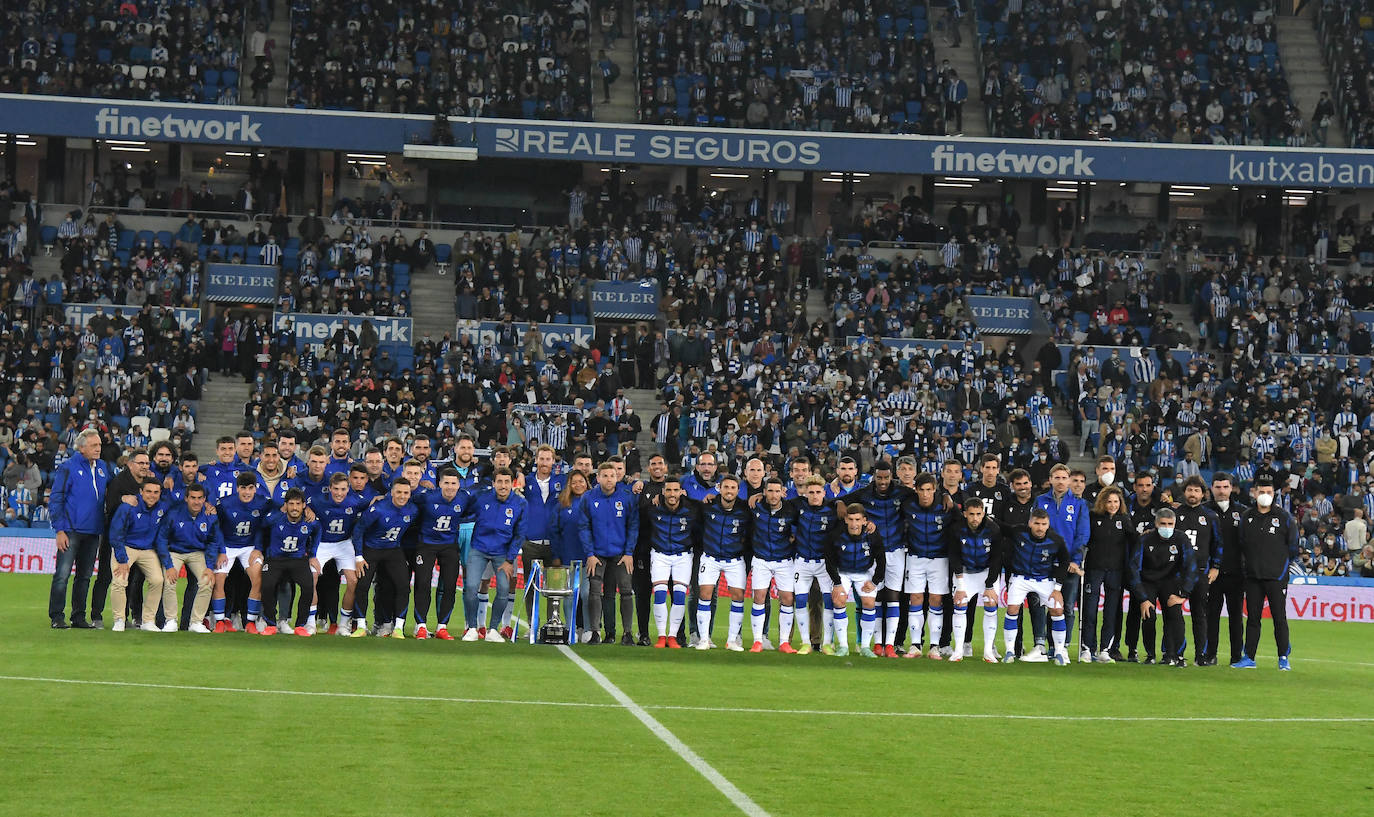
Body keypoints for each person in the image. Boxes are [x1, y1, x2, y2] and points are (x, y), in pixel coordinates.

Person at [1233, 475, 1300, 670]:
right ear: (1254, 493)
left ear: (1274, 494)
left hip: (1276, 577)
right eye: (1261, 492)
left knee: (1279, 618)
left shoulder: (1284, 517)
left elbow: (1293, 547)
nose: (1264, 495)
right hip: (1253, 577)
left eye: (1268, 492)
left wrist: (1281, 567)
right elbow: (1242, 544)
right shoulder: (1247, 516)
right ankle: (1249, 658)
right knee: (1253, 619)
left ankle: (1283, 658)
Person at [47, 429, 111, 629]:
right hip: (71, 530)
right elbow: (56, 498)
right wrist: (59, 530)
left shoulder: (102, 467)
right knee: (62, 575)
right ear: (81, 447)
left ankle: (78, 617)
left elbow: (115, 488)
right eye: (94, 445)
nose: (98, 449)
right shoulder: (68, 467)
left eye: (99, 445)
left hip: (93, 532)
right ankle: (57, 616)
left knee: (84, 577)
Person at [849, 461, 912, 657]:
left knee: (893, 597)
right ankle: (877, 644)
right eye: (879, 478)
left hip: (896, 551)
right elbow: (842, 501)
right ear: (874, 477)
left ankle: (890, 645)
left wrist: (944, 496)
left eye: (886, 477)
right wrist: (841, 504)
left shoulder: (902, 492)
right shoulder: (865, 493)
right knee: (873, 596)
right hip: (874, 552)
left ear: (891, 476)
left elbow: (923, 495)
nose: (883, 482)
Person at [461, 468, 527, 642]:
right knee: (471, 588)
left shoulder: (520, 504)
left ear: (512, 483)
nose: (503, 486)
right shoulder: (482, 497)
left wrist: (509, 560)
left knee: (504, 589)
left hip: (503, 553)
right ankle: (473, 628)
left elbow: (520, 534)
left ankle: (493, 630)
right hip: (479, 549)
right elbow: (464, 511)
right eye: (499, 481)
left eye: (506, 482)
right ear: (493, 483)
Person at [1000, 508, 1072, 665]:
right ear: (1030, 523)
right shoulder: (1019, 532)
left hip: (1045, 580)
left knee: (1057, 610)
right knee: (1012, 609)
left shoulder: (1056, 540)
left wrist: (1058, 588)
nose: (1040, 528)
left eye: (1043, 524)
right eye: (1037, 523)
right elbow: (1002, 527)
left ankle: (1059, 653)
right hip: (1020, 578)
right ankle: (1010, 651)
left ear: (1048, 525)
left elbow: (1065, 562)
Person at [579, 462, 638, 645]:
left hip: (621, 554)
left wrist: (629, 553)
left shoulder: (627, 497)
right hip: (597, 555)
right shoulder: (588, 498)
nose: (609, 479)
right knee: (594, 592)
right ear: (598, 478)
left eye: (612, 476)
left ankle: (627, 633)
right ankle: (595, 632)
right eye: (605, 476)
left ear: (617, 477)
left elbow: (633, 526)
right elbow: (583, 527)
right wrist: (589, 553)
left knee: (627, 591)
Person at [1128, 508, 1196, 667]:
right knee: (1148, 615)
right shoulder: (1145, 539)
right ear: (1156, 524)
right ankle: (1150, 655)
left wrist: (1183, 595)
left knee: (1174, 615)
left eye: (1170, 524)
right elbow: (1133, 568)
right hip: (1148, 582)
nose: (1167, 527)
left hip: (1171, 581)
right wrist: (1142, 598)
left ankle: (1175, 655)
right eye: (1163, 524)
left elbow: (1191, 566)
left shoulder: (1181, 538)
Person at [1035, 464, 1088, 661]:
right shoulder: (1040, 501)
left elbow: (1082, 535)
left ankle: (1063, 646)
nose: (1060, 481)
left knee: (1066, 606)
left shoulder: (1080, 504)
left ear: (1069, 480)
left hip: (1070, 565)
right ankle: (1043, 645)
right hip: (1044, 562)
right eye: (1056, 477)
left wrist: (1075, 560)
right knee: (1044, 604)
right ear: (1050, 480)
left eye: (1064, 478)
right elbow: (1035, 530)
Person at [352, 479, 417, 640]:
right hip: (371, 549)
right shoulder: (378, 509)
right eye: (399, 492)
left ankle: (399, 628)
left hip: (393, 550)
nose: (402, 496)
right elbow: (359, 530)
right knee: (363, 585)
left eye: (406, 493)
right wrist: (359, 556)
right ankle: (360, 626)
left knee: (403, 586)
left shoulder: (413, 510)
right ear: (392, 493)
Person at [412, 467, 471, 640]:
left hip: (449, 545)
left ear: (459, 485)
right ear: (440, 484)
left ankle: (442, 627)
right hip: (426, 544)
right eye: (446, 483)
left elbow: (473, 510)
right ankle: (421, 626)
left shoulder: (464, 498)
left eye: (454, 483)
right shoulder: (427, 497)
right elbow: (407, 502)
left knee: (450, 585)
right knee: (423, 583)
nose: (450, 487)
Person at [107, 479, 172, 633]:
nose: (152, 495)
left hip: (148, 549)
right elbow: (116, 534)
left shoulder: (162, 508)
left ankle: (148, 621)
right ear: (141, 492)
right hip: (126, 546)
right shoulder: (128, 507)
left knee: (158, 580)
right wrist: (122, 559)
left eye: (156, 492)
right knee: (119, 580)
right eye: (148, 491)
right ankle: (119, 619)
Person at [212, 471, 272, 633]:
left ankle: (250, 622)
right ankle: (219, 621)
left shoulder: (264, 502)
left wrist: (258, 549)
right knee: (219, 579)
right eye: (243, 488)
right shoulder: (224, 503)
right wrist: (221, 551)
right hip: (228, 546)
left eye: (250, 488)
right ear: (237, 488)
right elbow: (217, 528)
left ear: (255, 489)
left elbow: (265, 525)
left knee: (257, 579)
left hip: (249, 547)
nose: (247, 492)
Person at [156, 483, 221, 634]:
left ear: (205, 499)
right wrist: (169, 565)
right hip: (175, 551)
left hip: (197, 552)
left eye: (200, 498)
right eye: (193, 498)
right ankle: (171, 620)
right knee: (169, 579)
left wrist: (210, 567)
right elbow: (162, 539)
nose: (196, 502)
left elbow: (213, 541)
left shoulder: (210, 515)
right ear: (186, 498)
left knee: (207, 581)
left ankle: (196, 622)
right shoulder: (174, 514)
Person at [257, 489, 322, 636]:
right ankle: (271, 624)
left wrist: (312, 554)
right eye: (291, 504)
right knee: (267, 585)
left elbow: (318, 530)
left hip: (298, 560)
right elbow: (262, 525)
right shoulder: (276, 518)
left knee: (308, 586)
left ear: (304, 505)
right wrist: (259, 549)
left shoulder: (310, 522)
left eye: (298, 504)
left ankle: (300, 625)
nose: (294, 507)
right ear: (285, 505)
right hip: (275, 559)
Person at [307, 473, 366, 636]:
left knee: (353, 580)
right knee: (312, 578)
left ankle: (343, 624)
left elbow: (371, 503)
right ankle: (311, 622)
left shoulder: (355, 501)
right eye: (336, 489)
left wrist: (378, 499)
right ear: (330, 488)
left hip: (344, 543)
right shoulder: (318, 500)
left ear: (348, 489)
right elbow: (302, 503)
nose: (339, 493)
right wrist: (306, 509)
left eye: (343, 489)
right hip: (323, 543)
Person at [824, 503, 886, 658]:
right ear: (845, 519)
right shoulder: (836, 535)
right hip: (842, 572)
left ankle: (865, 647)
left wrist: (874, 582)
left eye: (857, 519)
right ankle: (843, 646)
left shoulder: (873, 535)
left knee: (869, 603)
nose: (854, 524)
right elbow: (829, 561)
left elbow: (881, 560)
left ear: (864, 520)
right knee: (839, 601)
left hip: (864, 572)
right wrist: (837, 583)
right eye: (850, 519)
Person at [695, 474, 749, 651]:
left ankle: (732, 640)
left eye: (733, 488)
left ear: (738, 491)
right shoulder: (708, 506)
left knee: (738, 596)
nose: (729, 491)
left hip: (734, 559)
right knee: (705, 594)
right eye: (726, 487)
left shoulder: (744, 510)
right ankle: (703, 639)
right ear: (720, 488)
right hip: (710, 557)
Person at [1081, 486, 1134, 663]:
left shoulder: (1125, 520)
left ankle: (1105, 649)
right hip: (1094, 570)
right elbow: (1085, 541)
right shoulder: (1092, 517)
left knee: (1111, 612)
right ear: (1102, 502)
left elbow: (1135, 541)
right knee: (1089, 610)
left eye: (1116, 502)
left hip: (1116, 571)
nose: (1113, 505)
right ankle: (1088, 649)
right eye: (1109, 501)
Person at [642, 474, 697, 647]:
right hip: (659, 555)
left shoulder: (692, 509)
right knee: (659, 593)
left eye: (675, 490)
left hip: (683, 556)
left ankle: (672, 636)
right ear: (663, 492)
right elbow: (642, 527)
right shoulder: (652, 509)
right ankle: (660, 636)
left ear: (681, 491)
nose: (672, 494)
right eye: (668, 490)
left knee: (679, 596)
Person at [946, 500, 1004, 663]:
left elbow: (996, 559)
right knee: (960, 604)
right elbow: (954, 557)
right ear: (965, 514)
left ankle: (988, 651)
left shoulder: (993, 529)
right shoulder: (957, 529)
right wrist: (961, 585)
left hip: (986, 572)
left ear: (983, 513)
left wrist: (990, 585)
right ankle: (958, 651)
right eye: (971, 514)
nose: (975, 518)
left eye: (978, 514)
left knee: (991, 604)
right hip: (965, 572)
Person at [1174, 475, 1221, 665]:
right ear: (1184, 492)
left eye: (1196, 490)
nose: (1192, 494)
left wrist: (1216, 566)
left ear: (1203, 493)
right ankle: (1175, 653)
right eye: (1189, 490)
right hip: (1178, 573)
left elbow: (1218, 544)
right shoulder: (1174, 514)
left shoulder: (1210, 516)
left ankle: (1200, 655)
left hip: (1201, 573)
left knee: (1200, 615)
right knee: (1174, 615)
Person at [747, 478, 798, 652]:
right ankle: (757, 641)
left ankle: (784, 642)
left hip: (784, 560)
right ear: (765, 492)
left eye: (777, 491)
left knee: (787, 599)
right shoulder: (756, 507)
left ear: (783, 492)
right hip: (761, 559)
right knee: (759, 597)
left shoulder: (791, 510)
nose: (774, 495)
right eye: (770, 491)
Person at [902, 473, 949, 659]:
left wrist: (948, 496)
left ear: (934, 490)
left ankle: (935, 646)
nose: (925, 494)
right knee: (915, 598)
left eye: (929, 490)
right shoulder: (908, 504)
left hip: (939, 559)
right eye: (921, 490)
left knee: (936, 600)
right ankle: (915, 645)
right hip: (915, 557)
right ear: (916, 490)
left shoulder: (945, 506)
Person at [789, 476, 838, 654]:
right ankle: (805, 643)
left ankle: (827, 643)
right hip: (802, 562)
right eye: (811, 492)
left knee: (828, 601)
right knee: (800, 600)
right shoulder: (798, 506)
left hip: (824, 564)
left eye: (818, 492)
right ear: (806, 493)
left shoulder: (832, 509)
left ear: (824, 492)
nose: (815, 495)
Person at [1203, 473, 1247, 666]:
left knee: (1236, 618)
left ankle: (1236, 656)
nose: (1221, 491)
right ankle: (1210, 654)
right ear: (1211, 488)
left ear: (1232, 488)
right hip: (1212, 574)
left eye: (1225, 487)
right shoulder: (1204, 511)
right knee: (1211, 616)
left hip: (1236, 574)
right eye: (1218, 487)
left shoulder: (1243, 512)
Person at [551, 471, 590, 566]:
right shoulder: (561, 505)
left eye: (581, 481)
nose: (578, 485)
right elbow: (554, 532)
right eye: (574, 482)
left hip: (591, 559)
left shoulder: (595, 502)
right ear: (569, 485)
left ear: (586, 483)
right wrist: (556, 556)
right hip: (567, 557)